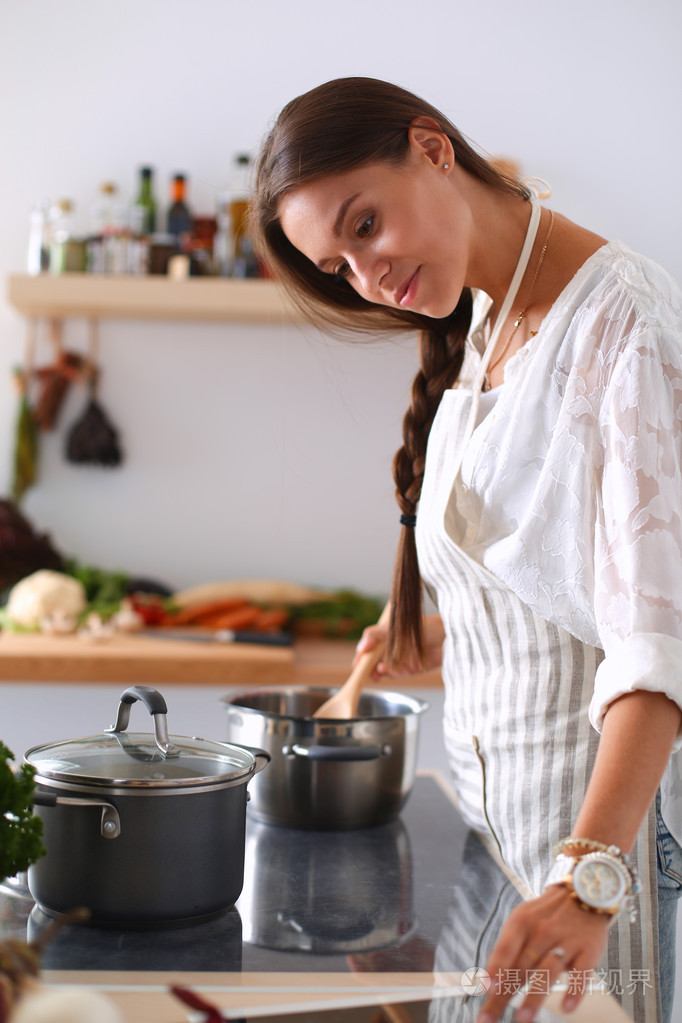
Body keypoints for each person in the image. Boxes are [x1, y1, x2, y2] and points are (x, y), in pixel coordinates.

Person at [249, 76, 682, 1023]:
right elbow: (569, 586)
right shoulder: (487, 317)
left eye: (364, 226)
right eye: (338, 265)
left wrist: (588, 880)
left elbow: (659, 649)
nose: (366, 278)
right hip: (505, 842)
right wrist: (468, 636)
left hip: (595, 853)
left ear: (433, 147)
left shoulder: (626, 326)